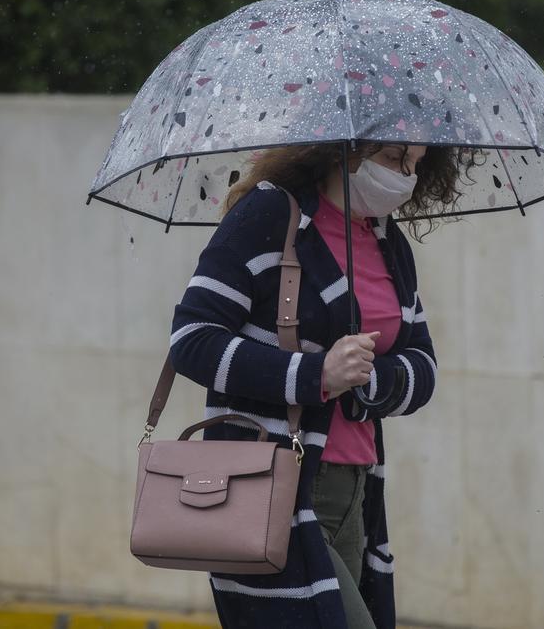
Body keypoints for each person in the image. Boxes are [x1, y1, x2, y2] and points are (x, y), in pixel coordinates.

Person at [168, 142, 476, 628]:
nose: (406, 177)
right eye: (396, 159)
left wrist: (372, 378)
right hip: (269, 484)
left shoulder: (387, 243)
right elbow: (191, 340)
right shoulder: (269, 216)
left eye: (417, 165)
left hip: (355, 487)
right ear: (349, 149)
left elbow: (424, 364)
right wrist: (315, 376)